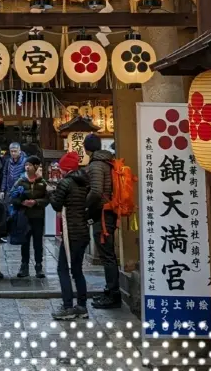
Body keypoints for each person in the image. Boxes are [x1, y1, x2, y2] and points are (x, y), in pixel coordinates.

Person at [49, 151, 91, 320]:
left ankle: (67, 306)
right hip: (82, 231)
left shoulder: (65, 183)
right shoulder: (85, 182)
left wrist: (50, 192)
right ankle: (82, 306)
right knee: (77, 270)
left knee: (63, 269)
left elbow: (56, 205)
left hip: (70, 233)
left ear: (65, 168)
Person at [84, 133, 121, 309]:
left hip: (103, 214)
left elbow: (96, 191)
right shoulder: (107, 162)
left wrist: (86, 207)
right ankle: (110, 290)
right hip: (108, 212)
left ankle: (113, 295)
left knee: (107, 255)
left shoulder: (96, 165)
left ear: (86, 149)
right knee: (108, 254)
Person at [10, 156, 49, 278]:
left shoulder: (42, 182)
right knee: (25, 242)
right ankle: (24, 266)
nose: (27, 167)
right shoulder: (21, 181)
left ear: (36, 167)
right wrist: (22, 202)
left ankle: (39, 266)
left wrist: (36, 202)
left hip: (38, 216)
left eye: (30, 165)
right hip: (25, 216)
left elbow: (48, 199)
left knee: (38, 242)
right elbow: (12, 196)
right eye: (26, 165)